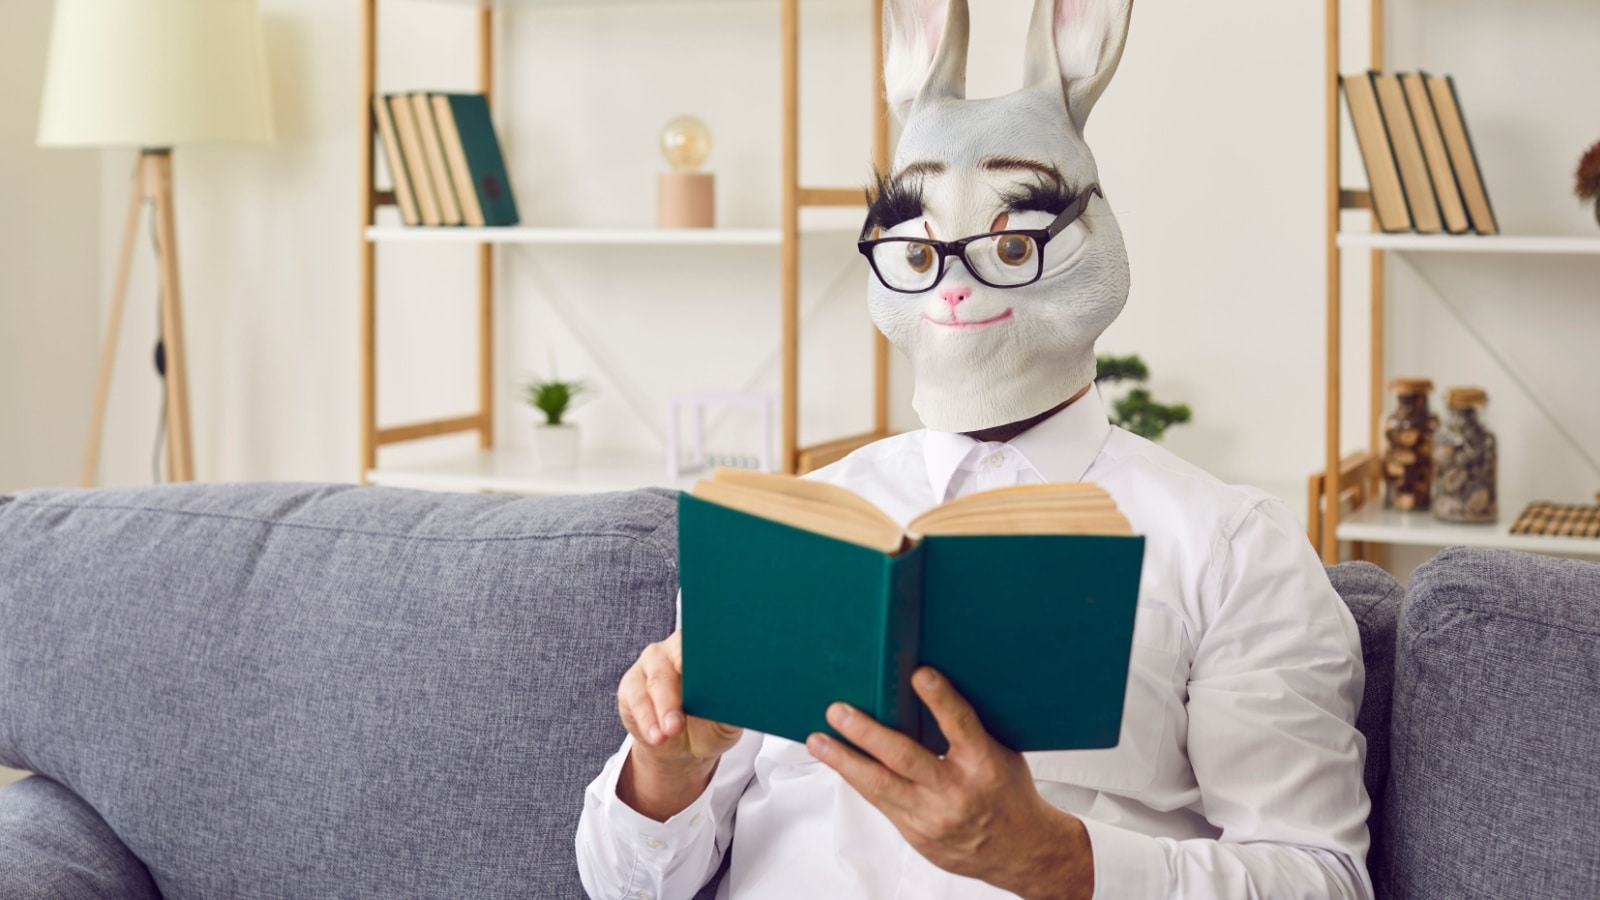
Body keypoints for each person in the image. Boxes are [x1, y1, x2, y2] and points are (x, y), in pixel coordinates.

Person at [576, 1, 1372, 897]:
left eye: (1009, 242)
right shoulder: (794, 532)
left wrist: (1059, 858)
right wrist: (667, 772)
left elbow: (1323, 877)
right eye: (919, 252)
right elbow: (622, 887)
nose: (952, 285)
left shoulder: (1230, 545)